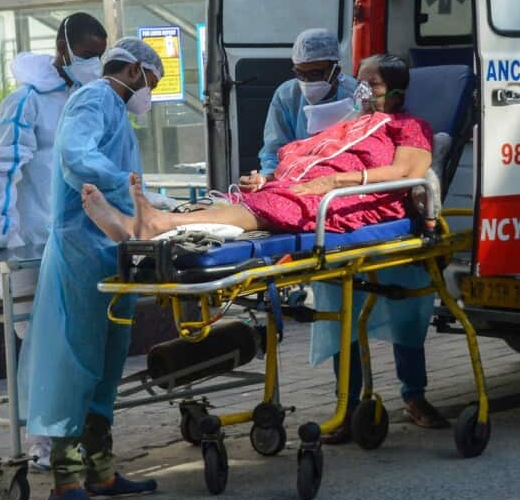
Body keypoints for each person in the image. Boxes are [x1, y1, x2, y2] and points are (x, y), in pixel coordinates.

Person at [87, 54, 450, 438]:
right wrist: (268, 178)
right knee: (253, 204)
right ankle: (153, 225)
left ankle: (160, 222)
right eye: (360, 80)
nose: (363, 90)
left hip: (360, 204)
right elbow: (308, 158)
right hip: (320, 196)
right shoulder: (350, 125)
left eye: (372, 84)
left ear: (396, 89)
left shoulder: (410, 126)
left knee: (282, 210)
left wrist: (334, 184)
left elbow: (405, 172)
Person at [18, 37, 163, 500]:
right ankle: (64, 484)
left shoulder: (116, 110)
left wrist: (144, 204)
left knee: (107, 361)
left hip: (110, 248)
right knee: (77, 365)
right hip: (82, 251)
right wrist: (131, 189)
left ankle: (101, 469)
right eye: (152, 83)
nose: (151, 93)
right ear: (135, 70)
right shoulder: (95, 98)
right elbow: (78, 159)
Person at [0, 11, 107, 470]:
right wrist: (7, 236)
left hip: (78, 244)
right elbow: (2, 171)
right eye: (87, 55)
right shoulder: (27, 102)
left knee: (78, 346)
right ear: (64, 50)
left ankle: (77, 436)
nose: (93, 63)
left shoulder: (90, 98)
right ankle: (41, 443)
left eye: (99, 55)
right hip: (33, 246)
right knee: (40, 347)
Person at [240, 27, 359, 186]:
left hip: (343, 179)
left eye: (315, 74)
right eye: (300, 74)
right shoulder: (287, 95)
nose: (307, 81)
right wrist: (266, 179)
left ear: (335, 70)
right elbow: (274, 150)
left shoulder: (356, 95)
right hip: (296, 177)